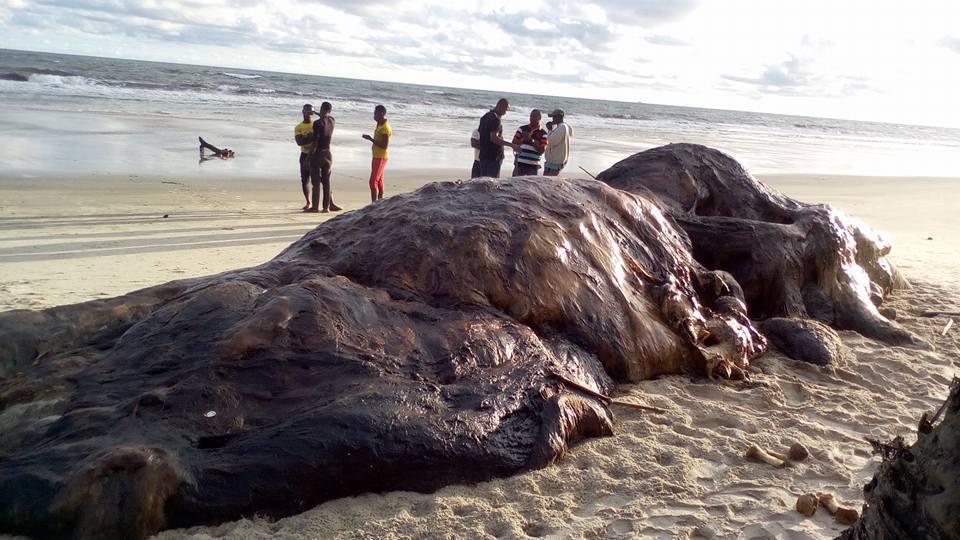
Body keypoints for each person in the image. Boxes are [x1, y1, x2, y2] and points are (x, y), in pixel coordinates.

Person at [307, 102, 342, 213]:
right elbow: (325, 117)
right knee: (326, 182)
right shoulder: (332, 120)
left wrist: (309, 155)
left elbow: (316, 141)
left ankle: (315, 207)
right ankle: (326, 207)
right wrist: (316, 112)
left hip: (318, 153)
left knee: (316, 182)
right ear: (330, 111)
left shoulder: (317, 123)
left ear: (322, 108)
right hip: (328, 154)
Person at [476, 98, 519, 178]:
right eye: (505, 110)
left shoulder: (484, 117)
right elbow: (494, 138)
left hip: (483, 155)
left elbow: (479, 134)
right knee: (492, 183)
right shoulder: (495, 119)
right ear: (500, 106)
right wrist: (512, 145)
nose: (505, 113)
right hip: (494, 156)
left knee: (483, 182)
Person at [362, 105, 392, 203]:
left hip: (381, 157)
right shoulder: (379, 124)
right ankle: (380, 203)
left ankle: (374, 204)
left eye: (375, 113)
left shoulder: (385, 128)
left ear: (381, 114)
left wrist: (371, 139)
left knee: (373, 181)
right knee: (379, 181)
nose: (374, 115)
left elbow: (384, 146)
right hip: (376, 156)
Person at [511, 109, 549, 176]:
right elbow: (513, 144)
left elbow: (542, 150)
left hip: (533, 166)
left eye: (534, 116)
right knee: (515, 185)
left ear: (539, 118)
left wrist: (531, 141)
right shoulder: (522, 129)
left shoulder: (543, 133)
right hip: (519, 164)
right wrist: (523, 140)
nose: (531, 118)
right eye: (531, 116)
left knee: (531, 186)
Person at [294, 104, 316, 210]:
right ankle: (308, 202)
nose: (309, 113)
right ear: (302, 111)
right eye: (307, 111)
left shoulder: (316, 125)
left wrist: (305, 138)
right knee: (305, 180)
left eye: (311, 112)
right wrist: (311, 137)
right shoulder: (299, 127)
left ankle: (329, 201)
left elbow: (317, 140)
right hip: (304, 155)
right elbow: (299, 142)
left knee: (320, 180)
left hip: (316, 155)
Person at [543, 109, 573, 176]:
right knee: (547, 182)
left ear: (560, 117)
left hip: (556, 162)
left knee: (549, 183)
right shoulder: (564, 126)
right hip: (553, 161)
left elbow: (551, 141)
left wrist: (550, 130)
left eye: (554, 117)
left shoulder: (562, 127)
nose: (552, 119)